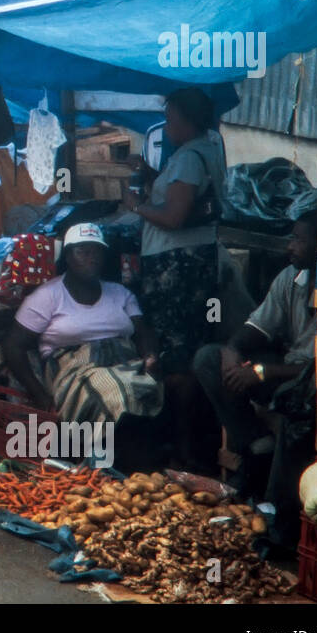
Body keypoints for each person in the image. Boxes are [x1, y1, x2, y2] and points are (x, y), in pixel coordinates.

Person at [192, 210, 317, 544]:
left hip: (314, 384)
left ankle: (276, 510)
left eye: (299, 239)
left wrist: (263, 372)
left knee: (297, 399)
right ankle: (255, 447)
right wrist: (234, 352)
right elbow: (257, 328)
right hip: (286, 369)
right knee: (209, 358)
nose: (290, 246)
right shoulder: (291, 278)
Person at [123, 86, 225, 468]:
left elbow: (174, 217)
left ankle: (181, 449)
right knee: (189, 350)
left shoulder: (189, 157)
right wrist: (150, 174)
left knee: (177, 359)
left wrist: (138, 206)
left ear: (186, 120)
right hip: (194, 263)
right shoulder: (205, 151)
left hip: (176, 269)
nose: (166, 127)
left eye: (170, 119)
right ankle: (187, 446)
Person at [2, 223, 163, 430]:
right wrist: (39, 394)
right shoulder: (47, 296)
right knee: (116, 391)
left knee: (157, 387)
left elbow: (142, 331)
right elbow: (13, 345)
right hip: (74, 371)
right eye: (83, 251)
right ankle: (111, 454)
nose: (92, 257)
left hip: (124, 363)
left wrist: (150, 357)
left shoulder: (120, 293)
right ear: (68, 256)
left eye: (96, 251)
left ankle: (136, 453)